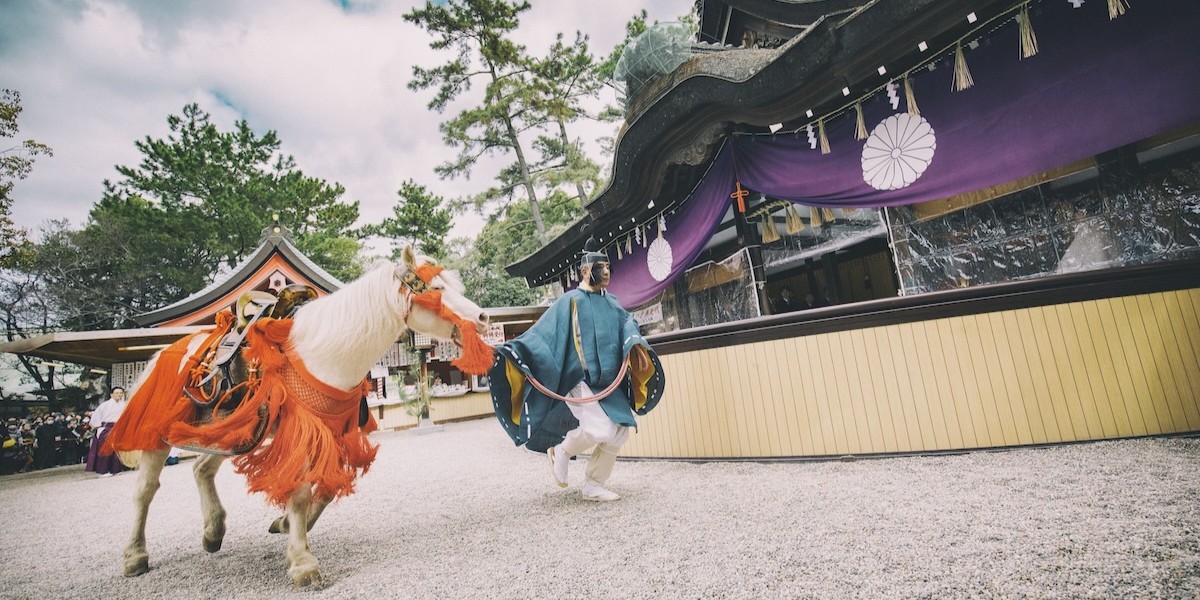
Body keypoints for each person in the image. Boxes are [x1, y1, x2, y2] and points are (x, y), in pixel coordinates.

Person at [490, 237, 666, 501]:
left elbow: (628, 325)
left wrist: (636, 347)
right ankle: (561, 451)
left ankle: (593, 484)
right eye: (601, 266)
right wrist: (509, 350)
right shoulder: (570, 301)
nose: (606, 271)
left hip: (611, 381)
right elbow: (543, 335)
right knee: (599, 430)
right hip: (579, 378)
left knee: (619, 432)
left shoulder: (612, 302)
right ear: (585, 271)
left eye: (608, 266)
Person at [86, 387, 129, 477]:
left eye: (121, 393)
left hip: (119, 428)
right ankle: (103, 471)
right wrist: (97, 426)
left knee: (117, 450)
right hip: (106, 428)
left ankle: (115, 469)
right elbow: (96, 416)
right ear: (111, 394)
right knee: (105, 449)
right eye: (116, 393)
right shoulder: (104, 405)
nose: (119, 395)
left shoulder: (124, 405)